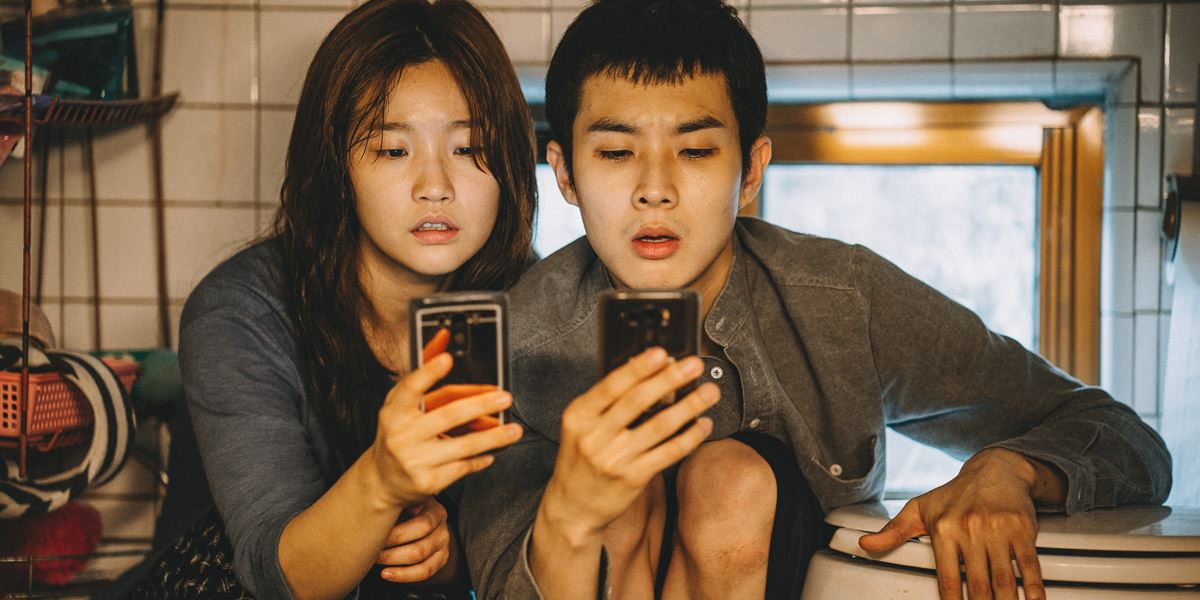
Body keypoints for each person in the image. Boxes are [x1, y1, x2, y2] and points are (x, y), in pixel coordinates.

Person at [456, 1, 1173, 599]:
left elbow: (1120, 435)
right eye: (616, 153)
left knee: (728, 480)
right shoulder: (513, 340)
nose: (655, 189)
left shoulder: (841, 299)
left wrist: (1009, 469)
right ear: (565, 173)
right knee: (613, 493)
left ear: (750, 171)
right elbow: (491, 582)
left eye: (696, 151)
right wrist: (572, 510)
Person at [126, 1, 537, 598]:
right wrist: (381, 481)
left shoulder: (533, 303)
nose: (436, 187)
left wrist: (449, 558)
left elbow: (527, 538)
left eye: (469, 148)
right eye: (393, 150)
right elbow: (271, 574)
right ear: (336, 166)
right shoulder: (241, 311)